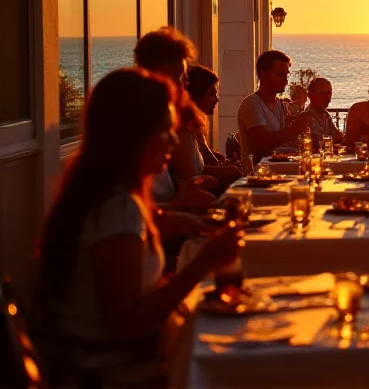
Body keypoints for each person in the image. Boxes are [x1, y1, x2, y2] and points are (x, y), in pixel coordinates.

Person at [39, 69, 241, 386]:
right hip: (116, 372)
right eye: (164, 130)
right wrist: (203, 263)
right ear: (132, 133)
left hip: (112, 359)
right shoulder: (117, 208)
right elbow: (127, 324)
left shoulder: (98, 193)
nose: (174, 140)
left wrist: (167, 220)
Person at [134, 27, 217, 209]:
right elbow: (133, 216)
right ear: (159, 74)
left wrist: (183, 192)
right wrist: (178, 204)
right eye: (181, 76)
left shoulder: (158, 119)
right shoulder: (136, 129)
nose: (186, 83)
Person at [237, 50, 311, 169]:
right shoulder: (252, 105)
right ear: (263, 75)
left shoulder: (279, 105)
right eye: (280, 75)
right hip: (259, 175)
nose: (286, 81)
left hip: (281, 170)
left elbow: (281, 135)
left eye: (286, 75)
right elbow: (262, 143)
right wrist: (292, 130)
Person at [186, 64, 242, 186]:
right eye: (211, 94)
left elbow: (209, 161)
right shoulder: (184, 130)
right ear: (195, 96)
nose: (216, 100)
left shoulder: (196, 126)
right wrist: (224, 169)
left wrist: (223, 164)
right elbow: (193, 176)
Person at [297, 77, 344, 145]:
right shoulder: (306, 117)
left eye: (329, 93)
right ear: (310, 96)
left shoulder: (325, 115)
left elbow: (338, 136)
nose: (327, 97)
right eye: (322, 94)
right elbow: (317, 141)